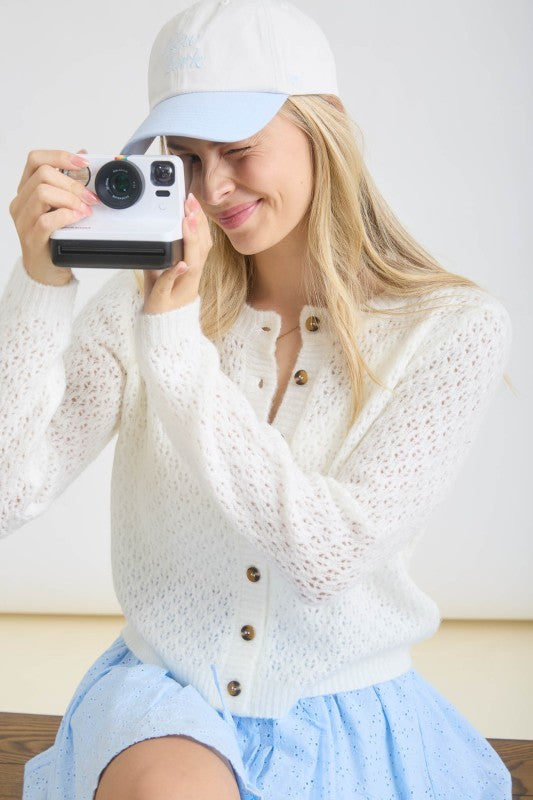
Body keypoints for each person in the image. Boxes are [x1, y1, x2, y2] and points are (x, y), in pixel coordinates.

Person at [1, 1, 514, 798]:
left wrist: (170, 347)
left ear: (322, 127)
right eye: (186, 159)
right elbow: (10, 491)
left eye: (239, 150)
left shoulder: (452, 330)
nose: (214, 187)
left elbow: (327, 555)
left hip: (349, 715)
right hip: (165, 701)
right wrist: (38, 284)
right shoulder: (137, 305)